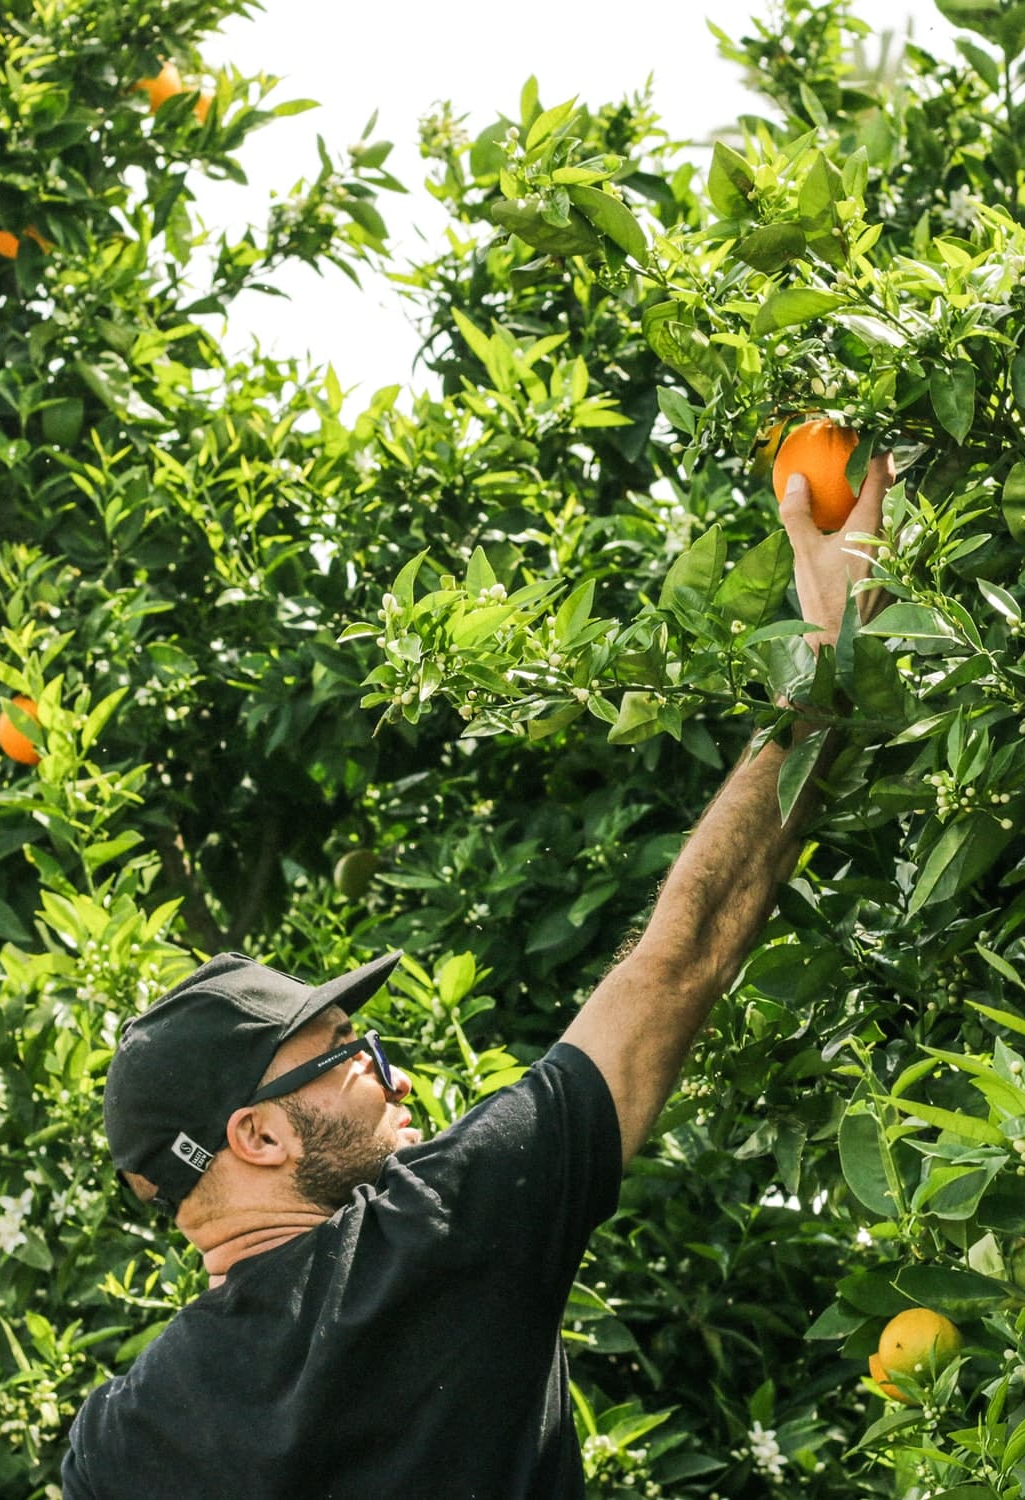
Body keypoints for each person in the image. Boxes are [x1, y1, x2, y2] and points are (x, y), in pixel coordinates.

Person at [59, 460, 892, 1497]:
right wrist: (827, 667)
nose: (395, 1076)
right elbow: (681, 960)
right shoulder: (439, 1234)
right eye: (352, 1055)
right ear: (261, 1133)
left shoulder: (118, 1443)